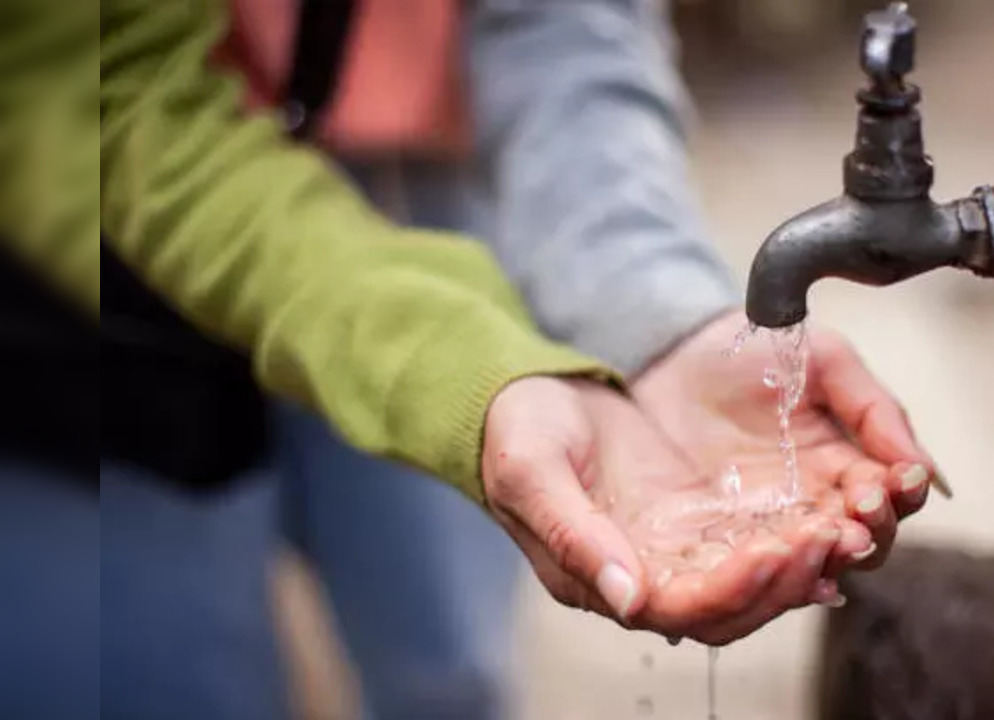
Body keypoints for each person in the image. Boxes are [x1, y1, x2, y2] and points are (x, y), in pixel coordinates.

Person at [0, 1, 941, 719]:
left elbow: (566, 24)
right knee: (161, 682)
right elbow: (97, 92)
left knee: (447, 668)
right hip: (81, 256)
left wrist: (654, 314)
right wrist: (469, 370)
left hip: (422, 166)